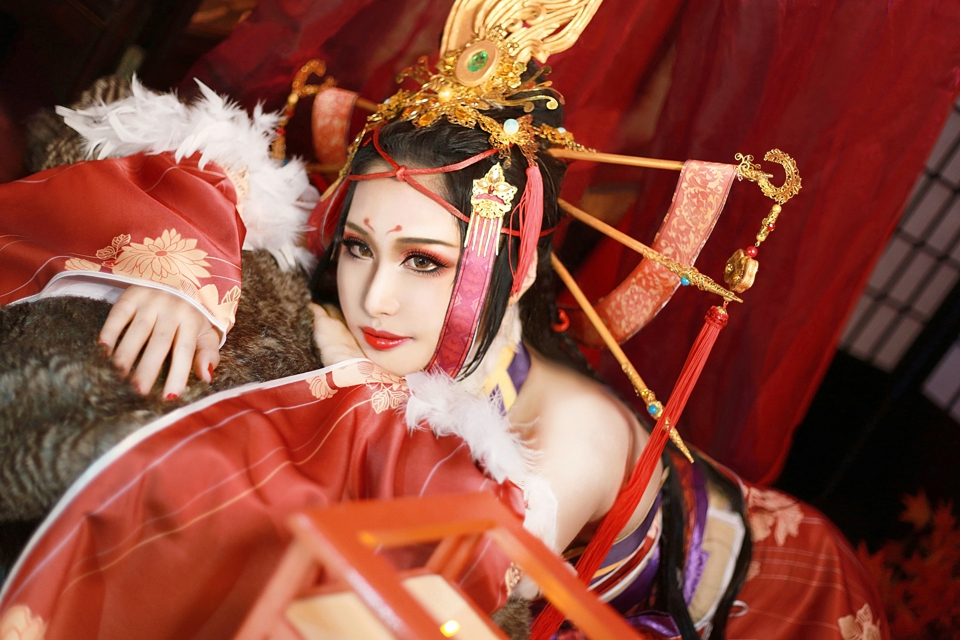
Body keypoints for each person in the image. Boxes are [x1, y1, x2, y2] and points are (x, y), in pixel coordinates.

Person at [0, 8, 887, 640]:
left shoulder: (569, 440)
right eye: (356, 247)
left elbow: (435, 592)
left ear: (518, 268)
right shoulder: (377, 292)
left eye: (425, 262)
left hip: (776, 599)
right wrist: (182, 271)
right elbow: (203, 164)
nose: (375, 299)